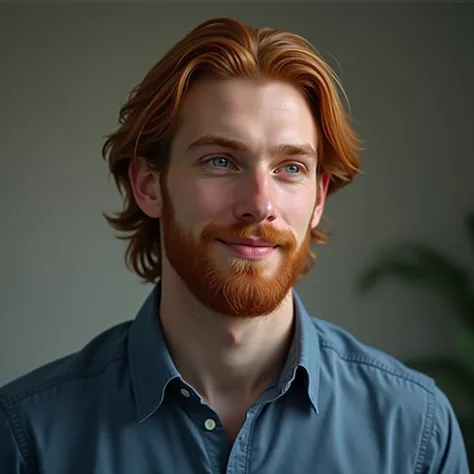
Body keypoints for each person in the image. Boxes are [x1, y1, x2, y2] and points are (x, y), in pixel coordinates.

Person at [0, 16, 469, 474]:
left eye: (291, 168)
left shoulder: (415, 430)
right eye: (221, 161)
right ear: (147, 184)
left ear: (319, 198)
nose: (260, 204)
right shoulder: (28, 437)